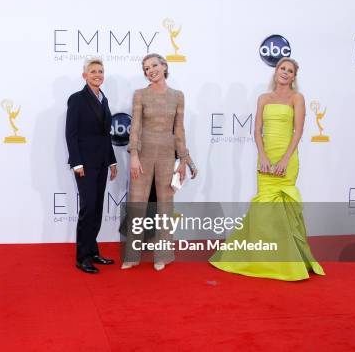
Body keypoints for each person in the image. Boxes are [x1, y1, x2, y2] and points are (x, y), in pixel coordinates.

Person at [209, 57, 325, 281]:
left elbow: (298, 132)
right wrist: (262, 155)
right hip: (265, 158)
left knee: (285, 209)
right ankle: (263, 258)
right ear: (276, 72)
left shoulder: (297, 98)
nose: (285, 73)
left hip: (287, 158)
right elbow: (257, 130)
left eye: (290, 71)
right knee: (264, 209)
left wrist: (284, 160)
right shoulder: (264, 98)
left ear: (294, 76)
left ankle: (290, 261)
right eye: (282, 68)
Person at [122, 53, 197, 271]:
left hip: (167, 153)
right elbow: (135, 127)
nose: (150, 70)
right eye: (146, 68)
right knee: (137, 204)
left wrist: (183, 159)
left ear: (164, 66)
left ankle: (162, 255)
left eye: (154, 65)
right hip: (143, 154)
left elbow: (179, 130)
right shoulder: (140, 95)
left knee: (165, 205)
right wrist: (133, 155)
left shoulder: (178, 96)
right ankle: (131, 256)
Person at [65, 57, 118, 274]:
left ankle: (93, 251)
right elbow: (71, 134)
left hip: (102, 163)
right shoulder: (76, 99)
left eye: (101, 71)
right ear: (84, 75)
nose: (98, 74)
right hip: (84, 165)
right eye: (93, 71)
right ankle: (82, 257)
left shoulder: (103, 99)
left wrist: (112, 160)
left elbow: (106, 135)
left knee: (96, 209)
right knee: (88, 209)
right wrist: (77, 162)